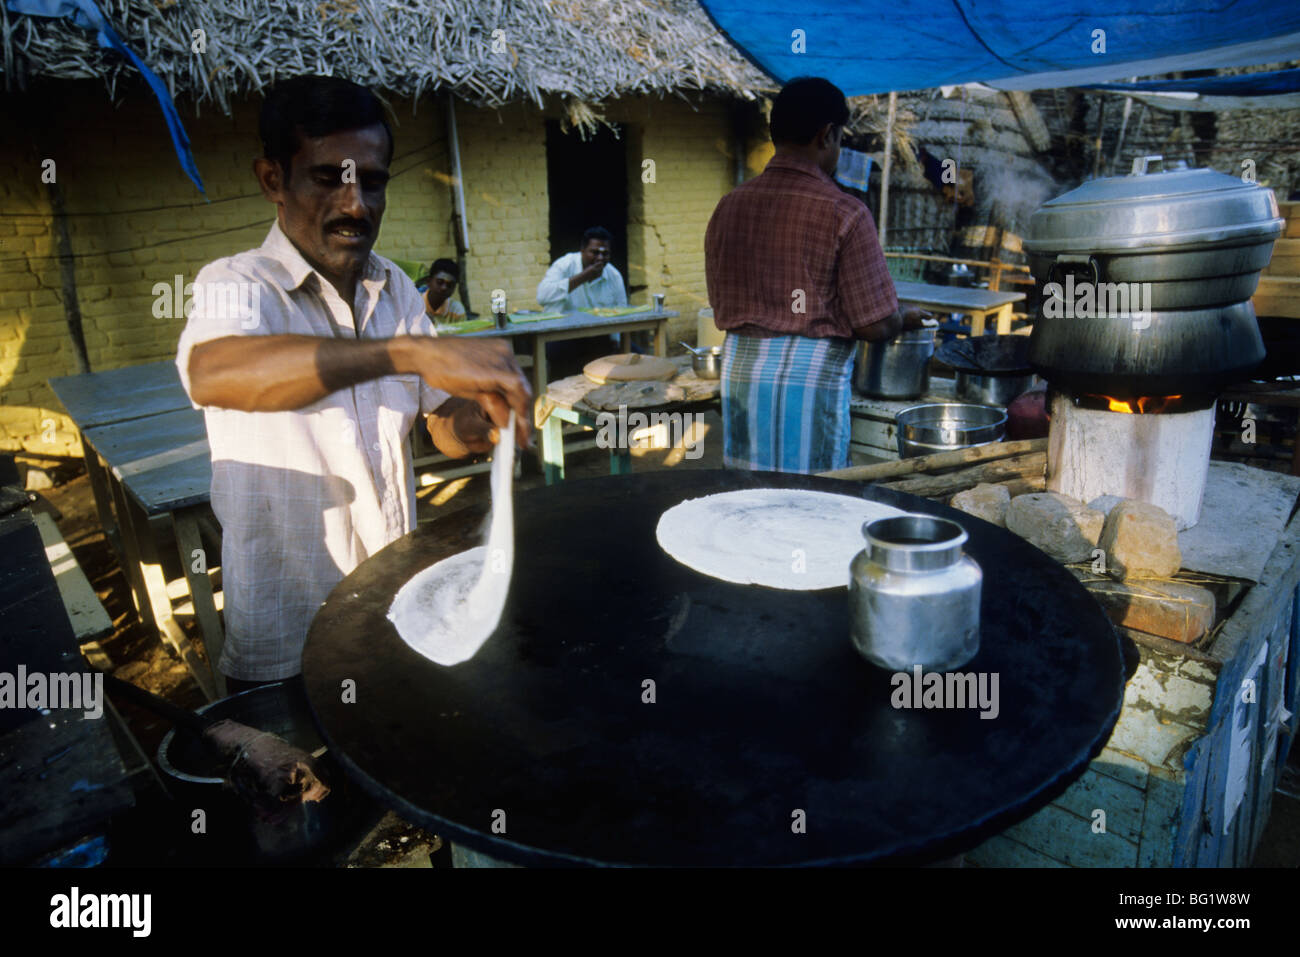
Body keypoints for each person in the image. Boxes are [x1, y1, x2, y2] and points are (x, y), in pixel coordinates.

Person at [175, 75, 532, 693]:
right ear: (272, 181)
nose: (356, 205)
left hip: (393, 608)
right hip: (289, 640)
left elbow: (441, 427)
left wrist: (483, 421)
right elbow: (214, 373)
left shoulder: (393, 288)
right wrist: (403, 351)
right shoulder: (236, 284)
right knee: (303, 784)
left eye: (372, 181)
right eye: (327, 178)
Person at [704, 76, 930, 473]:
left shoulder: (728, 206)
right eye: (841, 139)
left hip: (740, 377)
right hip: (808, 386)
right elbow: (876, 325)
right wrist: (901, 316)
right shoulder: (845, 212)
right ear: (827, 135)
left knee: (746, 502)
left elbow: (724, 298)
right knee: (812, 505)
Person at [536, 226, 628, 312]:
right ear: (582, 250)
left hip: (597, 328)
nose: (600, 258)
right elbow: (542, 297)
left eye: (605, 253)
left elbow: (621, 311)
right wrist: (583, 277)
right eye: (595, 252)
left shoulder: (614, 275)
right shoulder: (565, 265)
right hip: (563, 327)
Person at [418, 257, 466, 322]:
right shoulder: (415, 304)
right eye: (439, 282)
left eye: (449, 285)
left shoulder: (456, 310)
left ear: (454, 288)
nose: (444, 288)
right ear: (429, 282)